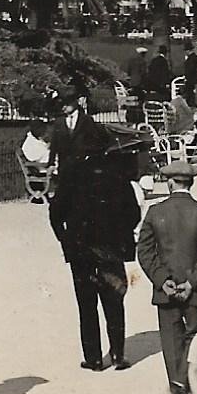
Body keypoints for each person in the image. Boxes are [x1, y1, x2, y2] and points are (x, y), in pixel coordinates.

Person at [136, 158, 197, 394]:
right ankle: (187, 383)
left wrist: (163, 280)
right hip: (195, 290)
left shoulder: (155, 212)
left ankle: (177, 384)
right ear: (190, 183)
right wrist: (191, 282)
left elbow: (145, 252)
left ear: (170, 183)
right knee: (195, 334)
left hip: (166, 290)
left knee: (171, 338)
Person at [48, 148, 136, 372]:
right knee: (114, 300)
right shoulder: (118, 174)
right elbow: (133, 212)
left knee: (86, 305)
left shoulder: (71, 174)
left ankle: (94, 358)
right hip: (111, 249)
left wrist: (65, 239)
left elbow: (55, 213)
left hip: (80, 250)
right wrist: (121, 234)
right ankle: (118, 355)